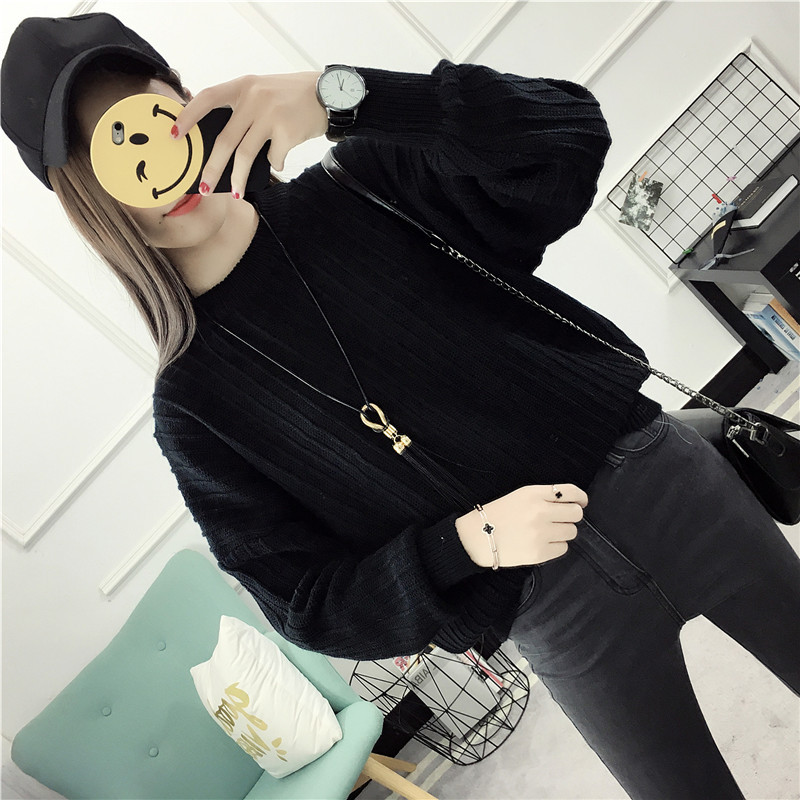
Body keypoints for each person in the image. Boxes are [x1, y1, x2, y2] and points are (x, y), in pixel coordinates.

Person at [3, 12, 798, 800]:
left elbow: (568, 137)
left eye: (151, 118)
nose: (154, 168)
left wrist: (344, 98)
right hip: (552, 611)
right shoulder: (194, 408)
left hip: (667, 483)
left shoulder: (366, 182)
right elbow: (306, 604)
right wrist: (468, 543)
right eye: (110, 156)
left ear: (188, 103)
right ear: (90, 204)